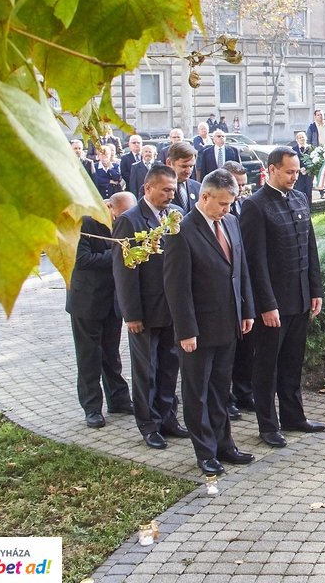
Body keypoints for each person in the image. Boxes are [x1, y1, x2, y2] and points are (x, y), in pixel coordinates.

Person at [163, 168, 257, 476]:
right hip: (198, 330)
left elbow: (239, 270)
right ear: (205, 196)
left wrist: (247, 310)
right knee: (197, 392)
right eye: (222, 204)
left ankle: (224, 444)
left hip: (228, 324)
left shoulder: (230, 222)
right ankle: (204, 451)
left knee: (221, 389)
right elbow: (177, 287)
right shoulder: (182, 230)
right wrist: (186, 330)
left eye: (230, 204)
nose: (228, 210)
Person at [240, 148, 325, 445]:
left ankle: (294, 416)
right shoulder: (255, 206)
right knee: (267, 365)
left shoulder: (300, 198)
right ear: (272, 169)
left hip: (301, 299)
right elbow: (255, 261)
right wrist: (266, 304)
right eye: (289, 171)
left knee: (292, 362)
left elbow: (310, 249)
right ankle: (268, 425)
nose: (294, 176)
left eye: (297, 171)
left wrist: (316, 290)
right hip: (274, 304)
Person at [113, 164, 189, 450]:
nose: (171, 194)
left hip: (171, 309)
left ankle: (168, 418)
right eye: (166, 189)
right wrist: (131, 313)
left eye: (173, 189)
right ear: (148, 188)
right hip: (144, 311)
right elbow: (124, 272)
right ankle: (149, 424)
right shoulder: (130, 221)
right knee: (147, 370)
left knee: (170, 367)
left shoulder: (173, 215)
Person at [68, 193, 135, 428]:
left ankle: (119, 399)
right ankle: (92, 407)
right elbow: (82, 259)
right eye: (120, 213)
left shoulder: (124, 223)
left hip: (112, 301)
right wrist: (120, 254)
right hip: (87, 301)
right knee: (89, 357)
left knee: (111, 354)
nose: (122, 219)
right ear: (109, 206)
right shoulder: (85, 223)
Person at [224, 161, 255, 418]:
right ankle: (227, 398)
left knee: (246, 346)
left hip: (245, 283)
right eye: (237, 185)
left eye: (244, 186)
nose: (241, 191)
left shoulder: (245, 205)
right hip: (223, 290)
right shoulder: (219, 209)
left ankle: (244, 393)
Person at [165, 141, 201, 212]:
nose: (188, 171)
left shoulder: (198, 188)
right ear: (169, 162)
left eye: (191, 166)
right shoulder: (155, 188)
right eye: (184, 166)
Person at [292, 131, 315, 198]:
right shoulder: (294, 149)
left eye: (303, 137)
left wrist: (306, 168)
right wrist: (299, 168)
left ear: (306, 138)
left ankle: (309, 207)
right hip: (299, 174)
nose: (302, 139)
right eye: (300, 138)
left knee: (308, 191)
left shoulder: (311, 148)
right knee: (300, 191)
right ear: (297, 140)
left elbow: (313, 160)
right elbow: (293, 161)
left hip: (309, 173)